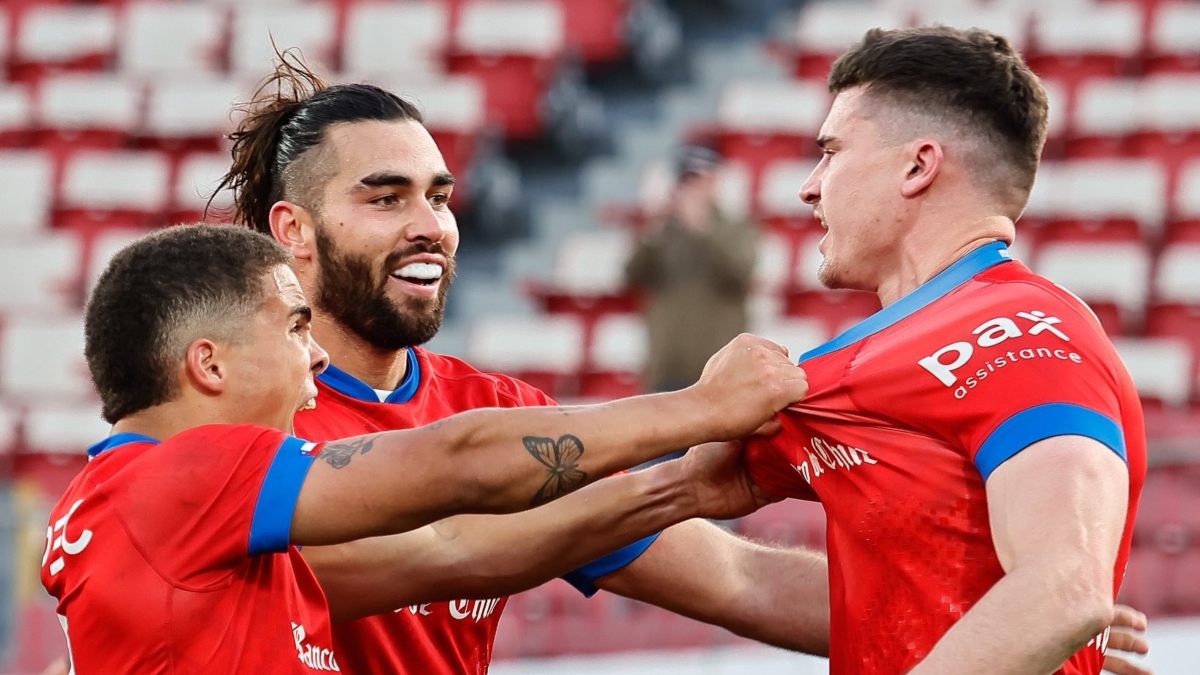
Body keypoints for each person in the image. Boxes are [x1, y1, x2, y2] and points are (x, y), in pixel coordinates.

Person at [219, 53, 1153, 675]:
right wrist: (702, 413)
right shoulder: (227, 425)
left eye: (439, 195)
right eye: (385, 199)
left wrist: (977, 621)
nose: (428, 224)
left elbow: (734, 579)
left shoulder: (497, 407)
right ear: (294, 232)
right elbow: (446, 538)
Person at [38, 224, 810, 673]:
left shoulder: (177, 525)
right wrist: (703, 408)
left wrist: (683, 487)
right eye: (295, 328)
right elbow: (458, 464)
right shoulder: (183, 475)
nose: (314, 357)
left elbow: (456, 554)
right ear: (208, 364)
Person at [742, 26, 1147, 675]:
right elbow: (731, 569)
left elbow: (1065, 587)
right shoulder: (844, 364)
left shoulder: (1021, 329)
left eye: (831, 151)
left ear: (918, 165)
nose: (809, 187)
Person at [625, 145, 759, 395]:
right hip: (667, 365)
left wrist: (703, 229)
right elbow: (632, 276)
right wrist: (654, 230)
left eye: (700, 180)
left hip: (720, 367)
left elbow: (739, 277)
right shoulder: (664, 232)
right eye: (687, 180)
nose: (693, 189)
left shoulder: (737, 228)